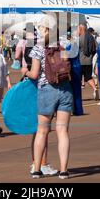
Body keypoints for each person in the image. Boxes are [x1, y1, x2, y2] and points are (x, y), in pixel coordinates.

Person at [22, 14, 73, 179]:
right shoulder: (65, 44)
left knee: (42, 131)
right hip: (65, 89)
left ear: (44, 29)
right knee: (63, 131)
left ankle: (37, 169)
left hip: (47, 89)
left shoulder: (38, 47)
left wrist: (25, 72)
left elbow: (35, 74)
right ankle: (64, 170)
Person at [15, 23, 59, 177]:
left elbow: (26, 66)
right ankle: (41, 164)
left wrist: (24, 72)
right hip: (45, 89)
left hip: (36, 88)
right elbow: (34, 72)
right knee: (43, 130)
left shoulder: (29, 45)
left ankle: (37, 162)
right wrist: (27, 72)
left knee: (38, 130)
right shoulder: (49, 46)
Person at [78, 23, 98, 100]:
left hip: (80, 61)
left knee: (78, 78)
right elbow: (95, 47)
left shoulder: (79, 38)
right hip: (89, 61)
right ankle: (95, 89)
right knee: (88, 77)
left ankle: (78, 96)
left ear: (81, 29)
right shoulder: (91, 37)